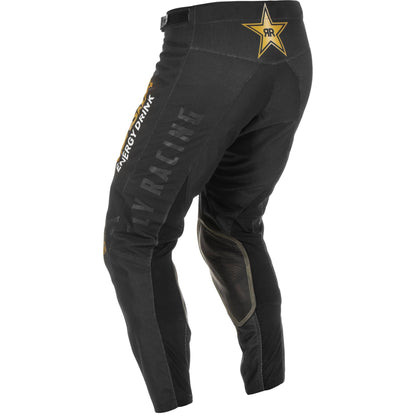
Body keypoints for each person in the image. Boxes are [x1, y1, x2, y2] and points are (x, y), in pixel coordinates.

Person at [103, 0, 312, 412]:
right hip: (288, 41)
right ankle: (273, 396)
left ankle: (175, 404)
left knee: (133, 238)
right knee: (234, 228)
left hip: (212, 49)